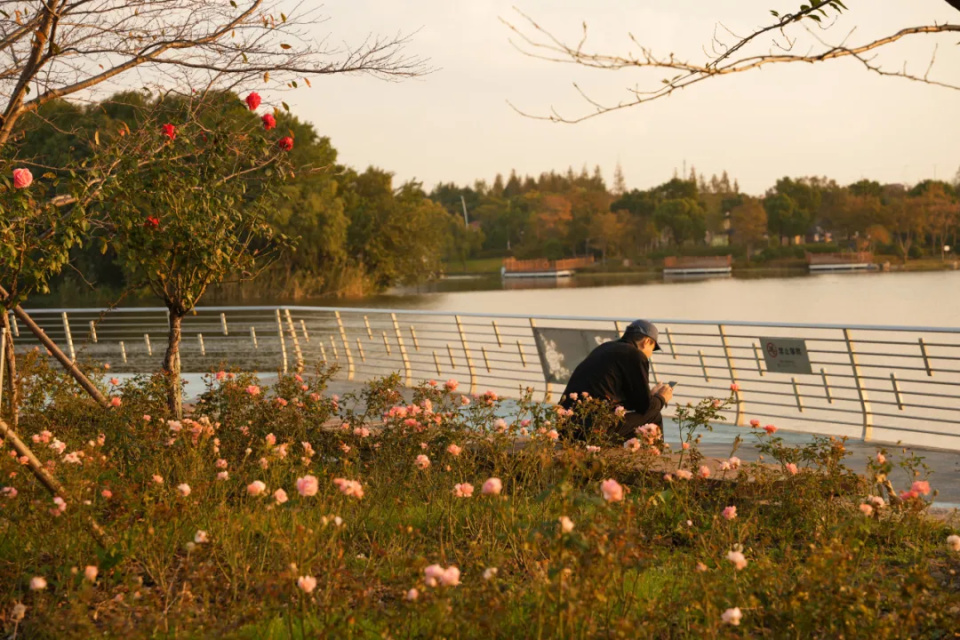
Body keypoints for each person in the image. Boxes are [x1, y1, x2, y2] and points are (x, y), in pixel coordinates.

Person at [560, 319, 673, 442]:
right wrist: (661, 398)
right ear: (647, 341)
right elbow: (644, 409)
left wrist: (649, 396)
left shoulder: (604, 348)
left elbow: (627, 401)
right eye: (653, 348)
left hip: (565, 427)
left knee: (631, 416)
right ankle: (655, 457)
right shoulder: (635, 354)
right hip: (593, 431)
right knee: (654, 415)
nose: (650, 354)